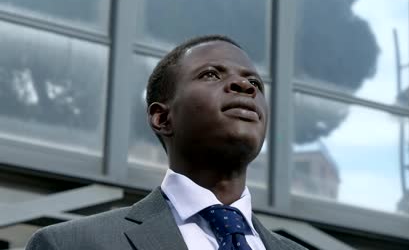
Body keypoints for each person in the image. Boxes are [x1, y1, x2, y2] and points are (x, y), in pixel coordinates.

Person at [25, 35, 306, 250]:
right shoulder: (72, 245)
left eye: (254, 83)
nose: (245, 87)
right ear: (162, 118)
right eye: (211, 74)